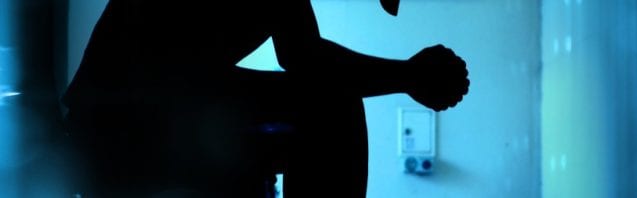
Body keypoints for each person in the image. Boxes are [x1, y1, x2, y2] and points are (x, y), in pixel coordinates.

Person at [63, 0, 469, 197]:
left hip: (131, 115)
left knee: (329, 105)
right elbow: (306, 58)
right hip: (127, 118)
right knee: (332, 107)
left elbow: (303, 57)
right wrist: (410, 75)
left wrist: (410, 75)